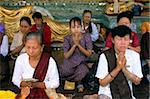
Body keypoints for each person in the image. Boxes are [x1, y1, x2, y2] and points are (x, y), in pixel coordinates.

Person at [96, 25, 143, 99]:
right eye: (119, 39)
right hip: (107, 94)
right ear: (112, 40)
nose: (123, 42)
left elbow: (137, 81)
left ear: (130, 40)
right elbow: (102, 82)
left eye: (126, 39)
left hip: (126, 94)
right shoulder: (104, 56)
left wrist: (124, 69)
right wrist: (117, 68)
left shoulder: (135, 55)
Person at [12, 32, 59, 98]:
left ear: (42, 47)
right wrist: (25, 84)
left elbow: (55, 82)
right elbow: (15, 79)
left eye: (34, 48)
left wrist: (37, 85)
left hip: (46, 94)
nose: (31, 51)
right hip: (26, 93)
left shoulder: (49, 61)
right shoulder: (21, 59)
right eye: (28, 47)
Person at [59, 17, 93, 92]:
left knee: (83, 70)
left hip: (82, 62)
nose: (76, 29)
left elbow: (89, 54)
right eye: (73, 27)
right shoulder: (67, 38)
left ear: (82, 27)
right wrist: (74, 46)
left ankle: (79, 83)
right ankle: (69, 81)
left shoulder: (86, 36)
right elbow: (66, 55)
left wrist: (79, 45)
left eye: (78, 27)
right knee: (63, 70)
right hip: (70, 62)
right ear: (70, 28)